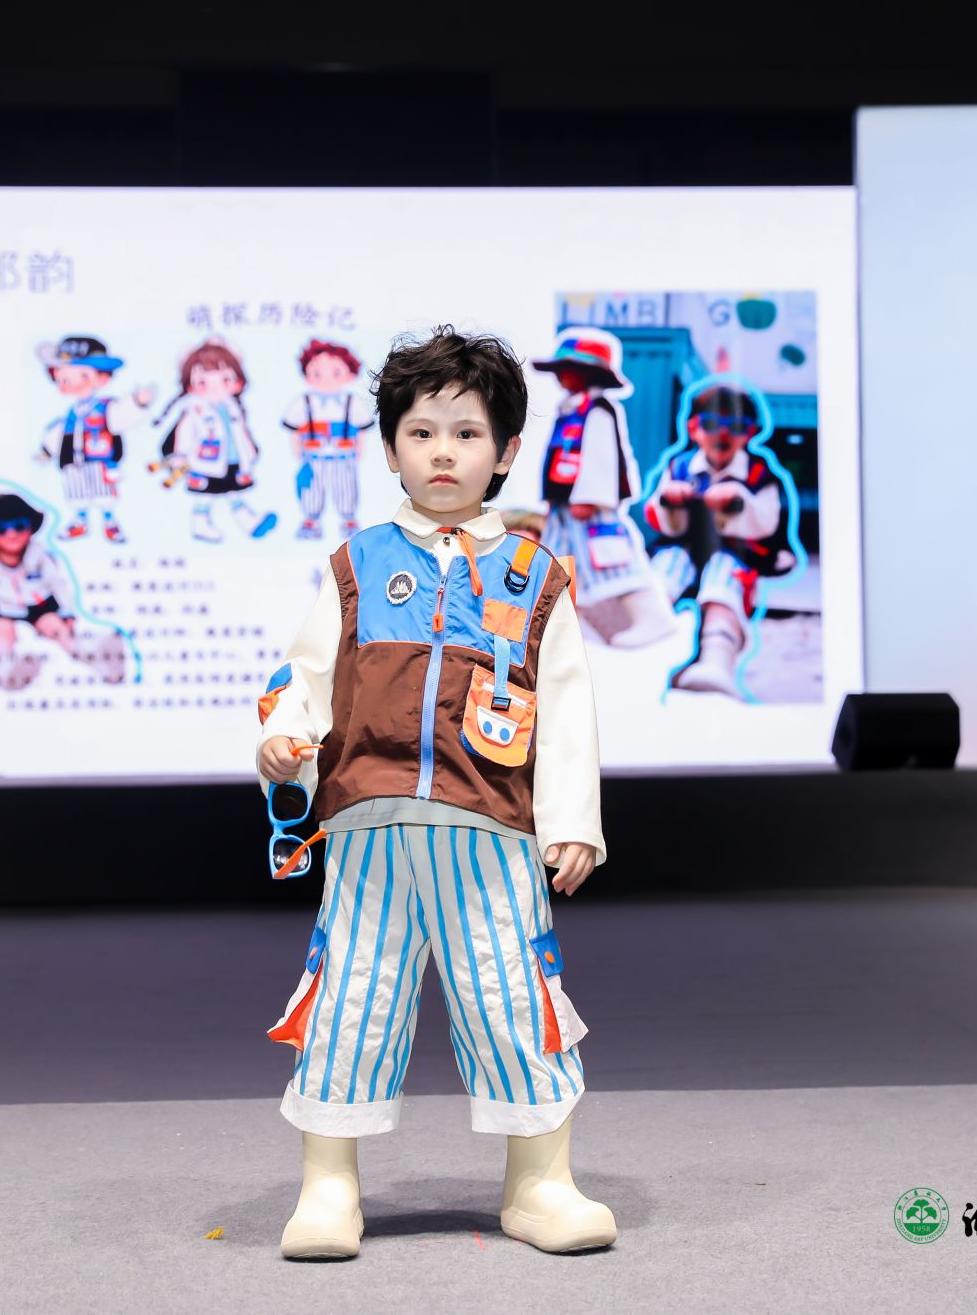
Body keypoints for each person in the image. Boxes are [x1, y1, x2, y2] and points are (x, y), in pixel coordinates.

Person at [255, 326, 617, 1260]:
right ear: (390, 450)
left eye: (466, 432)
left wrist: (572, 820)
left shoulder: (537, 576)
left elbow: (567, 707)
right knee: (351, 994)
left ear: (506, 450)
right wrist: (284, 740)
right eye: (420, 432)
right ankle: (328, 1187)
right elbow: (305, 674)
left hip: (490, 830)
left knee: (511, 990)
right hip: (370, 826)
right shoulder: (357, 563)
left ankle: (540, 1183)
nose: (442, 452)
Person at [643, 377, 803, 698]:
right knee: (663, 575)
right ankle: (648, 643)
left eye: (737, 426)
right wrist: (670, 501)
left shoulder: (758, 473)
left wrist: (738, 503)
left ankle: (716, 659)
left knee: (724, 584)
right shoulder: (680, 467)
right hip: (684, 551)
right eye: (712, 424)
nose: (723, 434)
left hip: (734, 555)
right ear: (693, 429)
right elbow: (662, 521)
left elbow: (768, 522)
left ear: (751, 433)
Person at [529, 328, 674, 647]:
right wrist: (553, 498)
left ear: (587, 373)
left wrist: (590, 497)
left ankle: (653, 617)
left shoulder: (598, 410)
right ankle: (570, 624)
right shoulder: (569, 410)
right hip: (565, 507)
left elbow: (602, 455)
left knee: (614, 560)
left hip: (590, 507)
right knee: (560, 561)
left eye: (568, 369)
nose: (561, 376)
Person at [0, 490, 125, 689]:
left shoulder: (38, 555)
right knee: (2, 635)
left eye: (19, 527)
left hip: (39, 604)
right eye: (1, 530)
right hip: (3, 608)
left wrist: (68, 612)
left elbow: (57, 583)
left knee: (57, 630)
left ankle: (102, 662)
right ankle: (7, 675)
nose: (11, 534)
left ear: (30, 527)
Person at [33, 335, 155, 543]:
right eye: (63, 378)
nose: (70, 383)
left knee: (103, 493)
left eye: (81, 376)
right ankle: (80, 522)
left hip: (100, 460)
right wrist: (47, 450)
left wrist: (137, 403)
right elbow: (58, 433)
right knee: (77, 493)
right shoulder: (71, 413)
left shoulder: (105, 408)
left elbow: (121, 416)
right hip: (73, 461)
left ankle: (110, 522)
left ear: (102, 379)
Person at [154, 337, 277, 542]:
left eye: (224, 380)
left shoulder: (232, 407)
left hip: (233, 460)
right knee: (206, 496)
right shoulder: (194, 410)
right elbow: (184, 434)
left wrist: (250, 454)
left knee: (233, 492)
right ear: (190, 386)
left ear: (238, 382)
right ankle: (201, 526)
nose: (214, 388)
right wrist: (180, 456)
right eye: (203, 382)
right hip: (205, 463)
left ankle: (250, 522)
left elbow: (240, 433)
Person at [281, 338, 374, 540]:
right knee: (311, 489)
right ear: (306, 375)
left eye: (336, 373)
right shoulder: (303, 403)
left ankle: (349, 520)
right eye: (317, 373)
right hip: (313, 458)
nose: (326, 380)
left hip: (344, 457)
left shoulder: (352, 403)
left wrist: (359, 450)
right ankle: (311, 521)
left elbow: (362, 430)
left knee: (346, 488)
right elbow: (294, 430)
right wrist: (297, 451)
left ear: (350, 374)